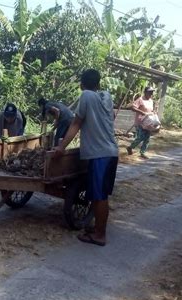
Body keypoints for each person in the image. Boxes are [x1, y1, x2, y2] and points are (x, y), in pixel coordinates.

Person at [54, 69, 119, 247]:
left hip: (100, 155)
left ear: (82, 84)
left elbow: (76, 123)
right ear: (98, 83)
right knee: (100, 194)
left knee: (99, 196)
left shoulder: (86, 96)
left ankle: (100, 235)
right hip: (110, 152)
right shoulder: (106, 96)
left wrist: (61, 147)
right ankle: (98, 228)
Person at [126, 86, 156, 159]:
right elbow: (132, 108)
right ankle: (130, 147)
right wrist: (142, 112)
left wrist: (154, 114)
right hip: (140, 122)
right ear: (145, 92)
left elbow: (151, 110)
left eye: (152, 92)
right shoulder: (140, 100)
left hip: (148, 122)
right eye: (149, 92)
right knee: (140, 137)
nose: (151, 93)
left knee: (147, 138)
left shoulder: (151, 101)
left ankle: (143, 152)